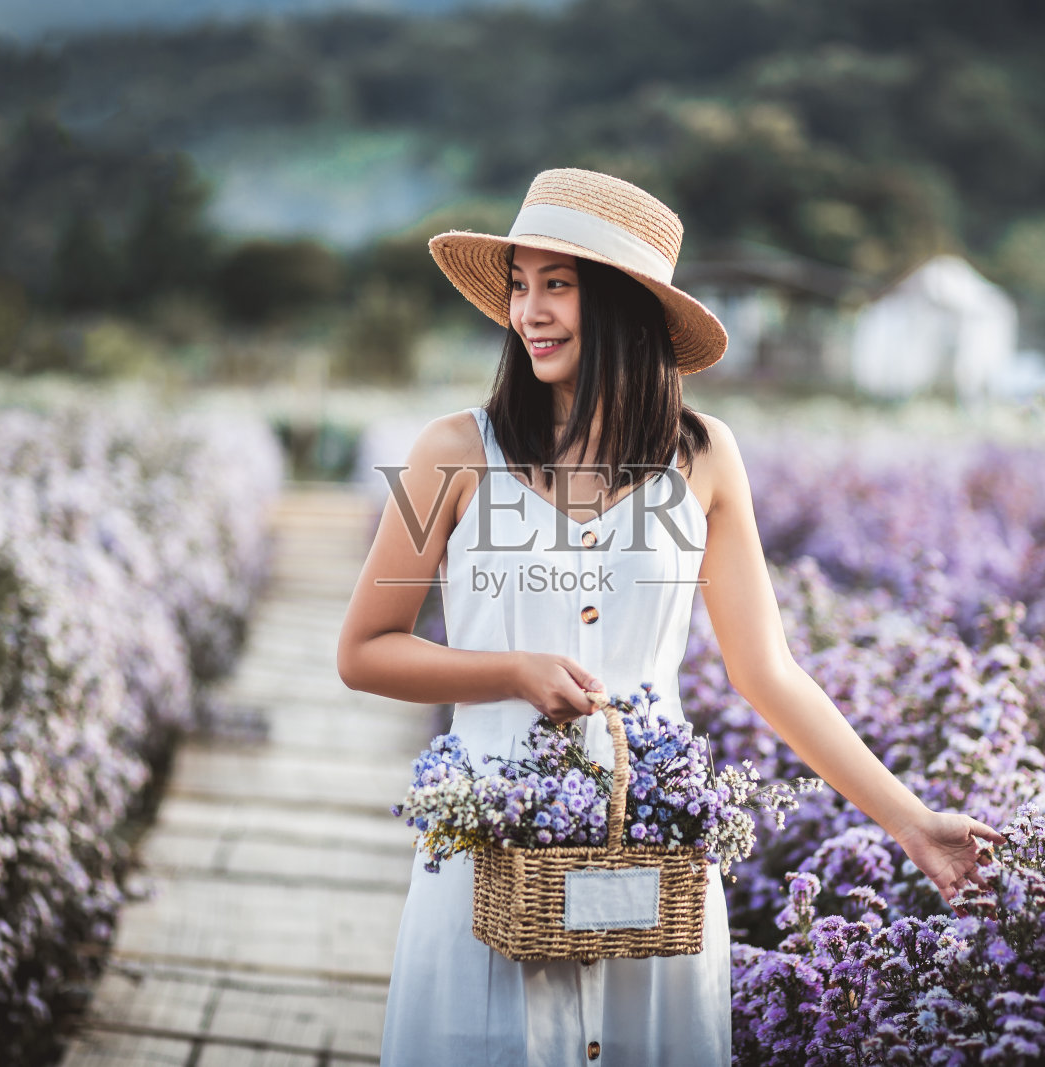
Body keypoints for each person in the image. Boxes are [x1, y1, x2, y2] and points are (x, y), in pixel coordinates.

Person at [335, 168, 1005, 1066]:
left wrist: (915, 823)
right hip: (487, 858)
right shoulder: (456, 452)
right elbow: (364, 651)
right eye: (521, 286)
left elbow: (767, 672)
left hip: (652, 855)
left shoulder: (704, 456)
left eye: (557, 285)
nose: (529, 310)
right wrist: (511, 670)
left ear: (621, 303)